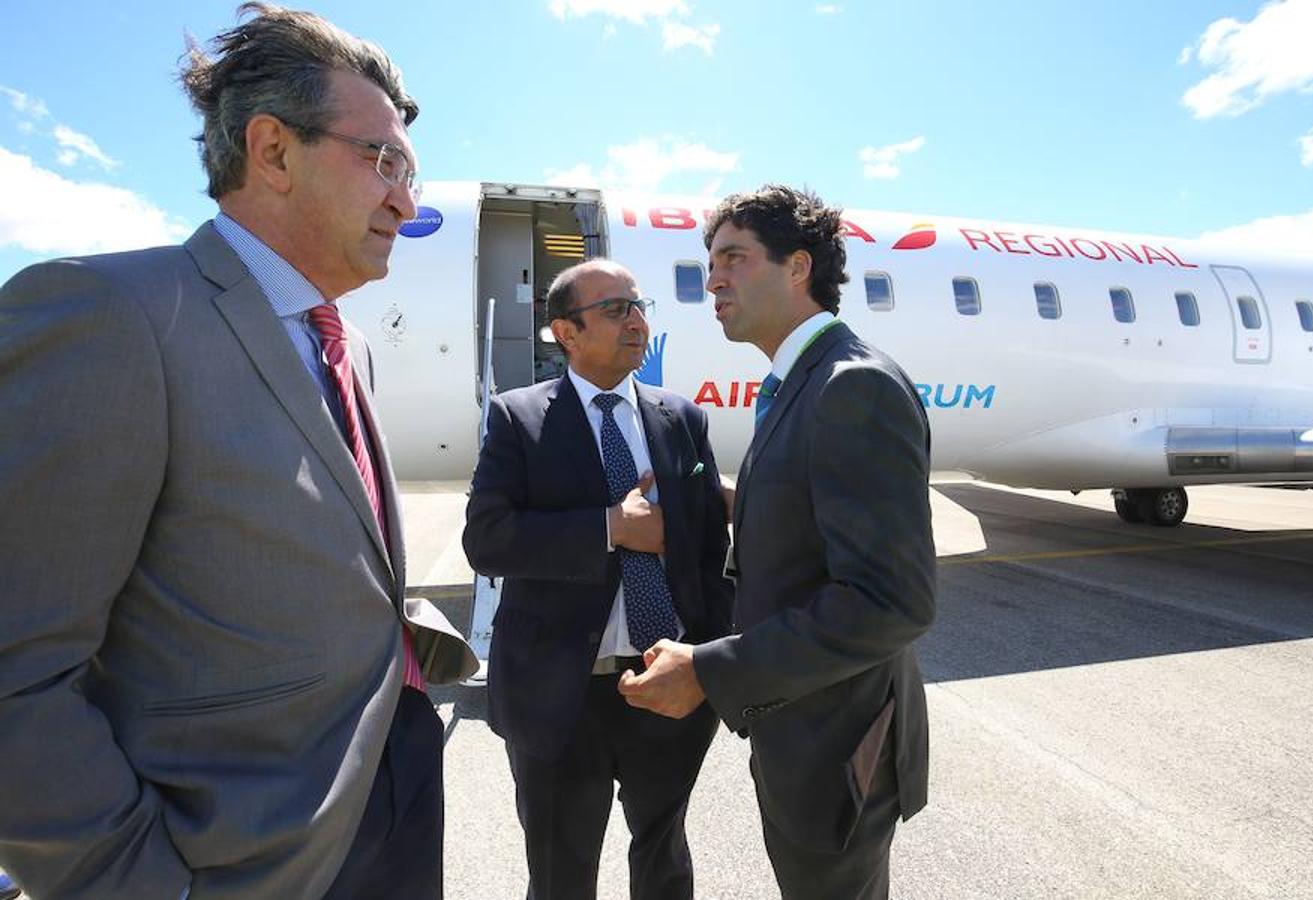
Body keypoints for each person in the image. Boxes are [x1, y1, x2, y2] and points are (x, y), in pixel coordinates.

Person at [0, 5, 476, 898]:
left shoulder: (347, 345)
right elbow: (15, 670)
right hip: (243, 861)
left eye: (408, 170)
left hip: (387, 795)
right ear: (272, 150)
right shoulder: (109, 316)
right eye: (383, 161)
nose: (407, 202)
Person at [619, 185, 937, 899]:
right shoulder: (797, 382)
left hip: (841, 743)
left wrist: (709, 669)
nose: (713, 279)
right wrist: (723, 508)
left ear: (798, 266)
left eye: (733, 257)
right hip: (804, 729)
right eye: (710, 261)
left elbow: (892, 602)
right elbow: (818, 523)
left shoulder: (850, 386)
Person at [462, 259, 734, 899]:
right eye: (616, 309)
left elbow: (708, 548)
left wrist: (710, 652)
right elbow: (487, 539)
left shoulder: (681, 417)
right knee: (560, 873)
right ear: (566, 332)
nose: (636, 321)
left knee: (665, 862)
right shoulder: (519, 418)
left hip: (664, 683)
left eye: (639, 306)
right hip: (561, 697)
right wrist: (608, 527)